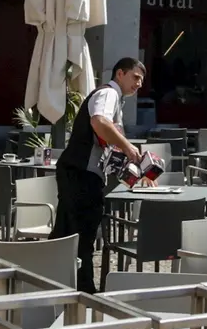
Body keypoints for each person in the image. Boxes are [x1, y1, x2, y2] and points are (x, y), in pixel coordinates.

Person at [51, 57, 146, 292]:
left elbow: (104, 140)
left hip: (79, 172)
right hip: (81, 174)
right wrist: (127, 147)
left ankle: (52, 281)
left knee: (65, 232)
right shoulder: (109, 94)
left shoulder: (115, 99)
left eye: (142, 80)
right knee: (83, 234)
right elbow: (99, 121)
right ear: (120, 74)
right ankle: (84, 290)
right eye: (135, 77)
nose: (139, 84)